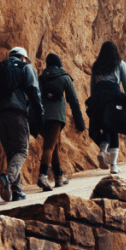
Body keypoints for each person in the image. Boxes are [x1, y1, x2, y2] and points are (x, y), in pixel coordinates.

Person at [0, 47, 44, 202]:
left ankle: (16, 191)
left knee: (11, 152)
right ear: (22, 57)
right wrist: (39, 117)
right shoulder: (24, 67)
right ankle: (7, 177)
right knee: (21, 150)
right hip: (17, 113)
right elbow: (34, 93)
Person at [36, 53, 85, 191]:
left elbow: (36, 96)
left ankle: (59, 177)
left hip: (42, 117)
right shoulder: (64, 77)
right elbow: (74, 101)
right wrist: (79, 122)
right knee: (49, 147)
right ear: (59, 64)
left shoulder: (42, 78)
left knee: (54, 145)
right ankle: (42, 176)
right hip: (56, 117)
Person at [86, 41, 126, 174]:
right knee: (114, 127)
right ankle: (113, 165)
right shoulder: (120, 64)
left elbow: (93, 86)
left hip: (98, 97)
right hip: (114, 96)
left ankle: (103, 149)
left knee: (102, 125)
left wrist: (93, 102)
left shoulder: (96, 66)